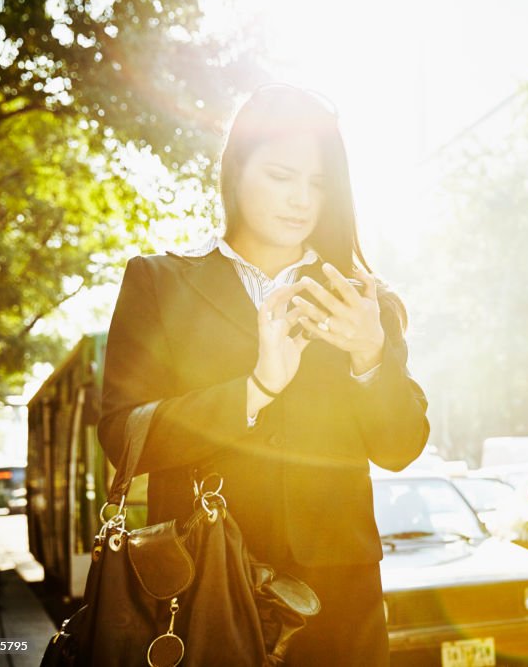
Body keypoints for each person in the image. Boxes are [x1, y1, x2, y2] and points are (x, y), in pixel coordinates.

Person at [97, 84, 431, 665]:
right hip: (201, 586)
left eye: (318, 183)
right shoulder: (159, 282)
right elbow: (123, 432)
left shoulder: (362, 301)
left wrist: (370, 357)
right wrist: (256, 390)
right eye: (281, 175)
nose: (300, 199)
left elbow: (401, 447)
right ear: (236, 170)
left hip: (339, 606)